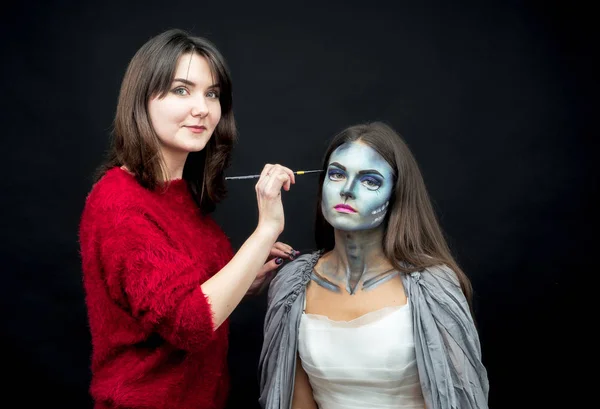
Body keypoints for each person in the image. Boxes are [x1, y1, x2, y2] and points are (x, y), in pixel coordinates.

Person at [79, 28, 299, 409]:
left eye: (212, 94)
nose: (203, 108)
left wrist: (246, 277)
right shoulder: (118, 202)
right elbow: (190, 323)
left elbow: (176, 296)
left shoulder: (179, 196)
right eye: (182, 90)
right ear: (142, 100)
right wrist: (265, 231)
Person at [258, 122, 489, 409]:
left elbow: (458, 398)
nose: (348, 190)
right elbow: (294, 399)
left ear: (395, 195)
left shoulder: (433, 286)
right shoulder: (292, 283)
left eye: (370, 181)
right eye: (337, 174)